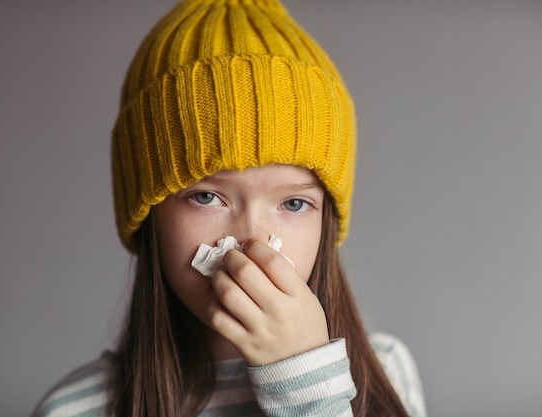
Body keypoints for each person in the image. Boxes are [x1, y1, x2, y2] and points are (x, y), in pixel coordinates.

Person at [31, 0, 427, 416]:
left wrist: (309, 391)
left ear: (327, 222)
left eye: (294, 203)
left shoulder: (385, 374)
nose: (252, 243)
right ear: (148, 215)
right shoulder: (76, 409)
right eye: (206, 197)